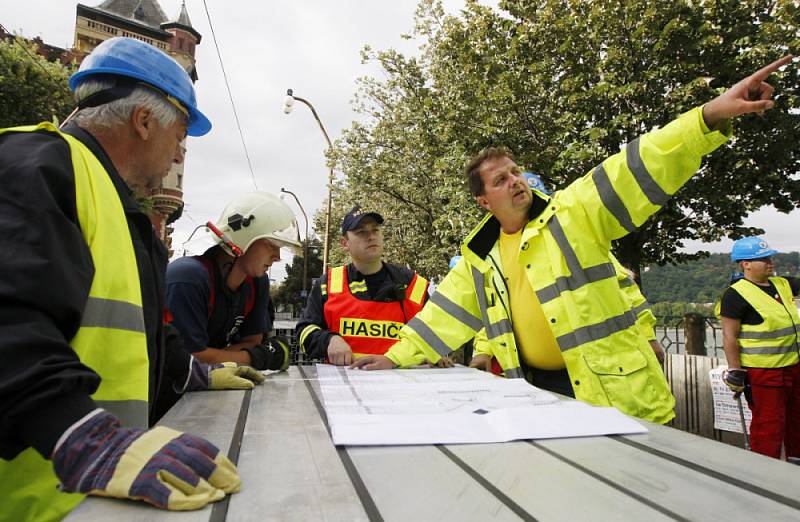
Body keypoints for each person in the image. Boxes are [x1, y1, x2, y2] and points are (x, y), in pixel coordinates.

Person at [352, 56, 792, 424]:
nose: (515, 182)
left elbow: (639, 165)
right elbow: (442, 317)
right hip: (538, 395)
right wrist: (394, 358)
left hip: (613, 393)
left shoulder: (574, 212)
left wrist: (708, 116)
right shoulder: (480, 258)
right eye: (501, 180)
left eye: (515, 172)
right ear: (483, 201)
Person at [0, 37, 265, 520]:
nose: (180, 152)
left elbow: (128, 327)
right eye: (181, 133)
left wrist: (192, 371)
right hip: (29, 500)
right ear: (144, 121)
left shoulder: (109, 199)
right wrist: (83, 440)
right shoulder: (33, 164)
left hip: (95, 497)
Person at [166, 192, 301, 372]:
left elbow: (253, 342)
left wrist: (218, 357)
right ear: (243, 238)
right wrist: (258, 358)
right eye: (271, 245)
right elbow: (189, 360)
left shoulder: (257, 283)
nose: (277, 257)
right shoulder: (187, 279)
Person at [296, 207, 429, 365]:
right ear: (345, 243)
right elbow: (304, 332)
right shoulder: (328, 284)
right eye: (361, 232)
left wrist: (433, 356)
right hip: (343, 384)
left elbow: (431, 336)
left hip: (401, 384)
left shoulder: (412, 284)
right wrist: (330, 340)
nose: (371, 236)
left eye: (375, 230)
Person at [718, 236, 800, 459]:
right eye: (763, 259)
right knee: (769, 426)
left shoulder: (782, 284)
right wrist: (735, 371)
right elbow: (729, 336)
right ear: (746, 264)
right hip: (763, 373)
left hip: (793, 367)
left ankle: (795, 467)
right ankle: (765, 475)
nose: (770, 262)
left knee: (797, 422)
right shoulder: (735, 294)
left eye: (769, 257)